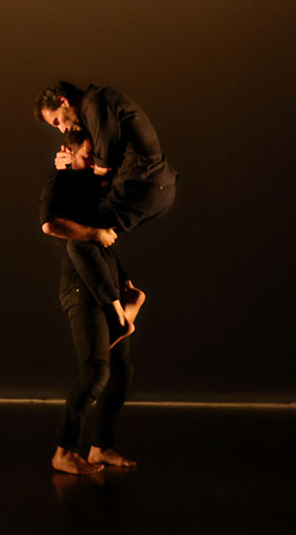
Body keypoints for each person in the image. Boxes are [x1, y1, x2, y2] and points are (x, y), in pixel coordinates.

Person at [34, 81, 178, 346]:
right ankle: (128, 292)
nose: (62, 129)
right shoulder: (97, 109)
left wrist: (75, 168)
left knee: (81, 240)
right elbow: (92, 152)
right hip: (152, 186)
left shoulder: (97, 103)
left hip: (144, 186)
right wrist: (68, 159)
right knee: (92, 229)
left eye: (57, 122)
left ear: (63, 102)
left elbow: (103, 167)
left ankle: (118, 321)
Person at [39, 147, 141, 474]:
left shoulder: (95, 187)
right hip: (82, 290)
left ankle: (99, 448)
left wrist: (123, 281)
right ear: (68, 152)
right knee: (97, 370)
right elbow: (51, 225)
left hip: (106, 285)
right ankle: (64, 451)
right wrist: (94, 232)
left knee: (121, 373)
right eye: (88, 150)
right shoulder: (61, 185)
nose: (96, 156)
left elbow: (115, 177)